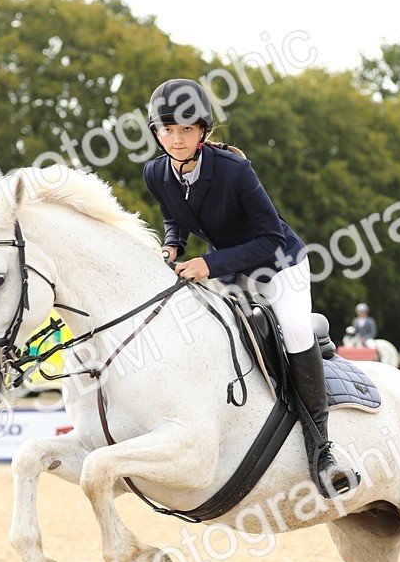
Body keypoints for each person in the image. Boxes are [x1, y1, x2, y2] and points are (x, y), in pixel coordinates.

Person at [143, 77, 358, 499]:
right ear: (156, 132)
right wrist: (172, 246)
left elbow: (270, 238)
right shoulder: (155, 172)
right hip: (227, 266)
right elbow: (175, 218)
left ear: (203, 131)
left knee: (294, 331)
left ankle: (322, 448)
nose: (176, 138)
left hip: (279, 264)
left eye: (186, 129)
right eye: (167, 129)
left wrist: (208, 263)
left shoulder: (234, 170)